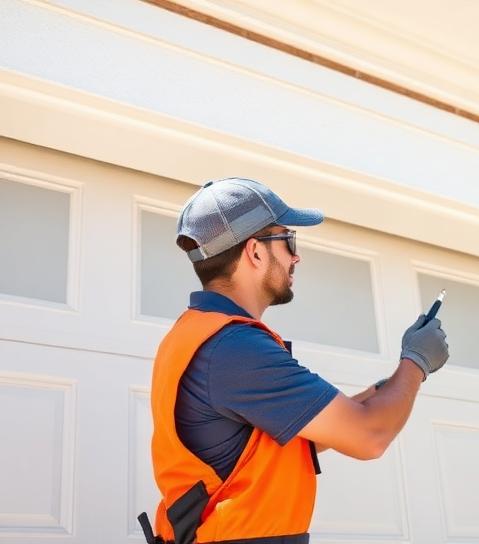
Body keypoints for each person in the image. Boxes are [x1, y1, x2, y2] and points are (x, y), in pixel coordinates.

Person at [138, 177, 449, 544]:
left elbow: (275, 445)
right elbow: (370, 436)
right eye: (288, 240)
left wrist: (382, 391)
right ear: (255, 252)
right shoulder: (236, 348)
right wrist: (416, 362)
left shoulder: (199, 336)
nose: (296, 255)